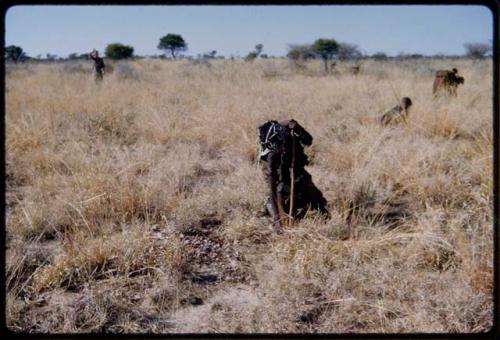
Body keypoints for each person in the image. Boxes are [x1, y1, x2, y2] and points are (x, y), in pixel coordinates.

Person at [258, 119, 329, 231]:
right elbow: (272, 190)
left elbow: (308, 141)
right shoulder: (270, 157)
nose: (282, 148)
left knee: (307, 184)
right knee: (281, 196)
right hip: (282, 186)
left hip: (297, 175)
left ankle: (321, 211)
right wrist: (277, 220)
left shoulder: (288, 131)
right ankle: (279, 212)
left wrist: (298, 129)